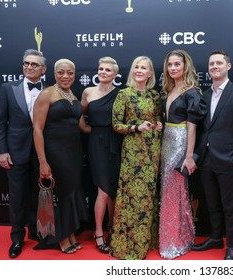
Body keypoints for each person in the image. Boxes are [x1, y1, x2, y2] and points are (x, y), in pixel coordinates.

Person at [192, 50, 233, 260]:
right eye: (211, 64)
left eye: (219, 63)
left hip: (230, 159)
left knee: (231, 206)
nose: (214, 66)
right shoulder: (205, 94)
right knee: (211, 203)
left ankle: (232, 246)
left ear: (228, 66)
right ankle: (216, 238)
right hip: (206, 157)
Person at [0, 49, 47, 258]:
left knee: (39, 194)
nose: (29, 67)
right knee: (17, 197)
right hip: (15, 151)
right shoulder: (8, 88)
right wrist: (2, 151)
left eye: (34, 64)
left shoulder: (51, 90)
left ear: (43, 69)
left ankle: (36, 231)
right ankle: (17, 238)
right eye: (26, 63)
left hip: (42, 153)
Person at [33, 58, 89, 254]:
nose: (66, 76)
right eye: (61, 72)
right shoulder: (46, 94)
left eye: (70, 73)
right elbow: (37, 129)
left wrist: (106, 130)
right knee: (64, 193)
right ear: (54, 74)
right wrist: (43, 161)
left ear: (74, 75)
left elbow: (82, 126)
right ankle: (61, 236)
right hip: (55, 152)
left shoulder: (74, 96)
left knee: (72, 191)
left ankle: (70, 232)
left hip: (74, 151)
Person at [109, 56, 162, 260]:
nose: (139, 70)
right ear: (132, 71)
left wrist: (158, 125)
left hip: (152, 151)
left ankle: (146, 241)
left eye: (144, 68)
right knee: (129, 197)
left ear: (150, 73)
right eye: (136, 67)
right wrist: (135, 127)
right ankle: (126, 246)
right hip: (132, 151)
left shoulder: (155, 96)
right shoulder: (124, 94)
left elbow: (158, 119)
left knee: (147, 197)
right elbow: (116, 124)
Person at [159, 49, 207, 259]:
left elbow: (192, 127)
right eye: (170, 65)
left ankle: (176, 241)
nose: (173, 68)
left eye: (177, 64)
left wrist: (188, 156)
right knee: (168, 192)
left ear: (185, 66)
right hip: (166, 141)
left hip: (180, 143)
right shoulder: (169, 88)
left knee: (175, 191)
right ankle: (173, 237)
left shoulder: (192, 92)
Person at [81, 57, 122, 253]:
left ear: (115, 74)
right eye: (100, 69)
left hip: (117, 142)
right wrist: (91, 130)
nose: (103, 72)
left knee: (114, 189)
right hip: (97, 143)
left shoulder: (121, 94)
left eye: (107, 70)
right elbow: (79, 115)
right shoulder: (88, 92)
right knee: (103, 191)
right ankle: (99, 232)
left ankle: (113, 229)